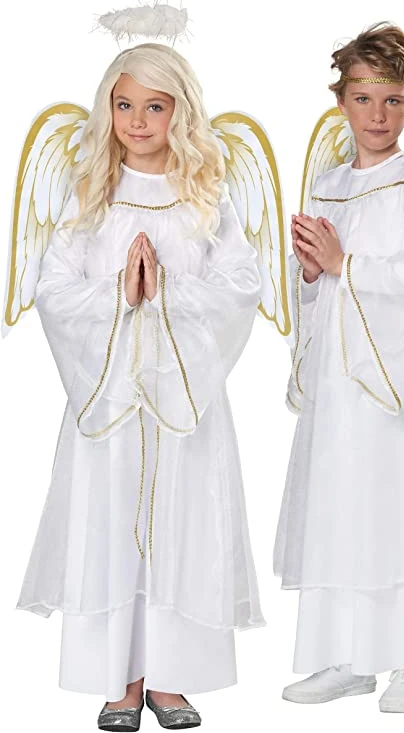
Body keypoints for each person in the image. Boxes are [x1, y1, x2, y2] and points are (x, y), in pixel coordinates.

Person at [16, 42, 264, 731]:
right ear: (109, 109)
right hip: (112, 402)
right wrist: (119, 292)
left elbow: (241, 285)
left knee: (181, 526)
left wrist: (169, 290)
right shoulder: (91, 199)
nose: (137, 120)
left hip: (183, 400)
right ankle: (121, 680)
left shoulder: (204, 201)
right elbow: (52, 289)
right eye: (124, 105)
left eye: (155, 107)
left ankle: (172, 678)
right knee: (114, 526)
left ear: (180, 112)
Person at [274, 22, 404, 714]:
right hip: (340, 382)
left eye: (392, 100)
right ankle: (345, 656)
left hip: (398, 382)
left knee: (399, 506)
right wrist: (312, 276)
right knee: (340, 507)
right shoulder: (328, 184)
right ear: (340, 101)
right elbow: (313, 285)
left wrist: (346, 265)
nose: (377, 115)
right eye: (363, 98)